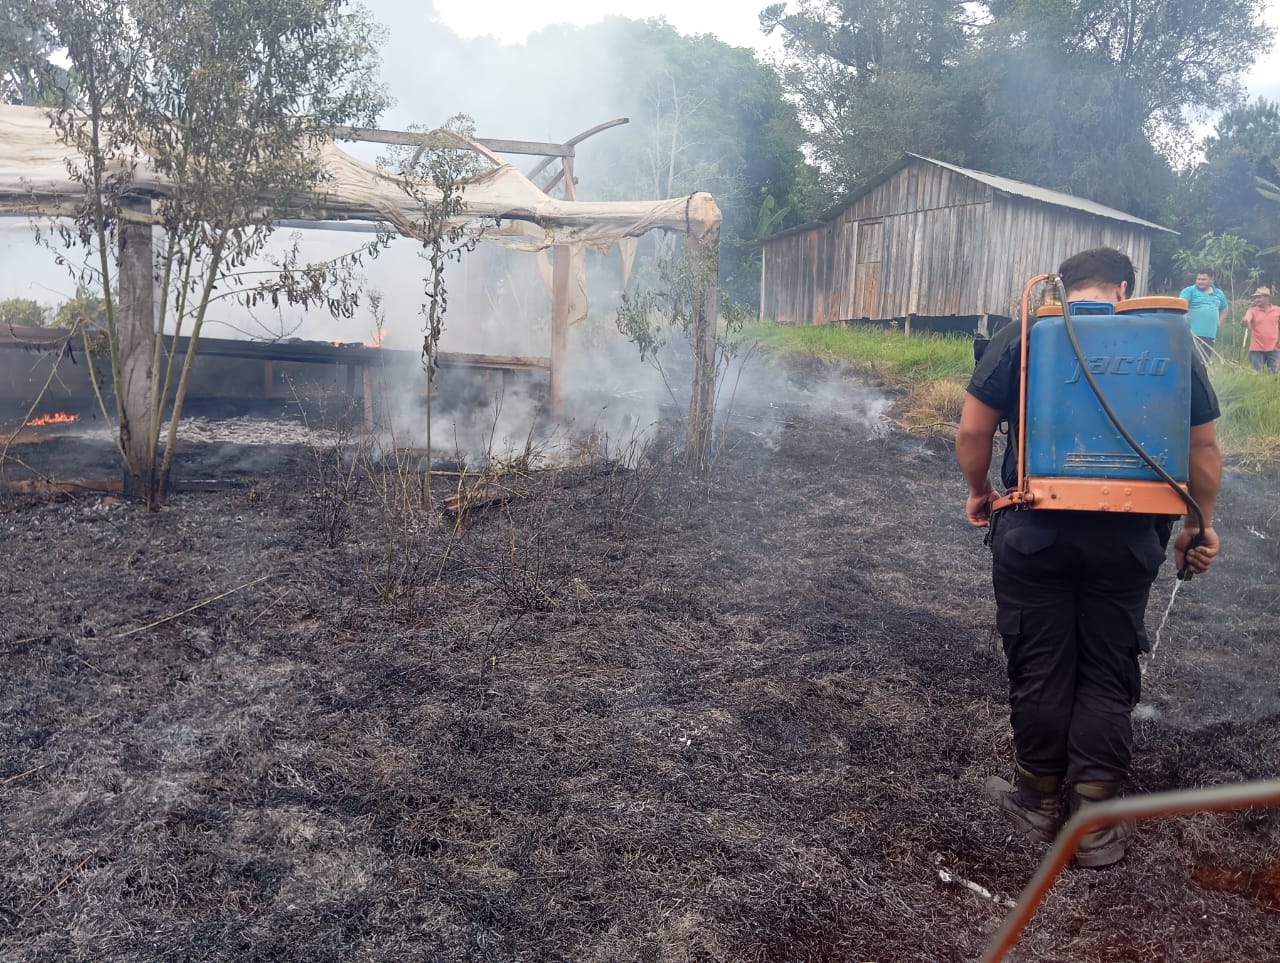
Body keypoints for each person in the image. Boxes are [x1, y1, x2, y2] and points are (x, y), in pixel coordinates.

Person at [956, 247, 1223, 868]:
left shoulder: (1026, 332)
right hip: (1128, 537)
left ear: (1063, 285)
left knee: (1042, 659)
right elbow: (1203, 449)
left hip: (1032, 528)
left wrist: (980, 492)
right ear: (1125, 288)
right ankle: (1095, 824)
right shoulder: (1168, 338)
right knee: (1106, 664)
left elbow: (972, 432)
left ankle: (1038, 802)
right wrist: (1197, 526)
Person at [1179, 269, 1229, 360]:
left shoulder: (1218, 293)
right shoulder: (1189, 291)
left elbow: (1225, 309)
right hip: (1191, 334)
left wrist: (1219, 322)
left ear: (1211, 280)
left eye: (1203, 279)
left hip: (1209, 334)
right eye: (1198, 279)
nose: (1200, 282)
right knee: (1190, 361)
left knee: (1204, 362)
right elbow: (1181, 306)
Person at [1242, 285, 1280, 373]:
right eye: (1255, 298)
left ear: (1267, 298)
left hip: (1274, 347)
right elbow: (1247, 318)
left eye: (1259, 297)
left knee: (1274, 374)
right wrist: (1245, 321)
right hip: (1257, 348)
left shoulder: (1277, 310)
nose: (1256, 300)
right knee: (1257, 373)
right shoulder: (1252, 310)